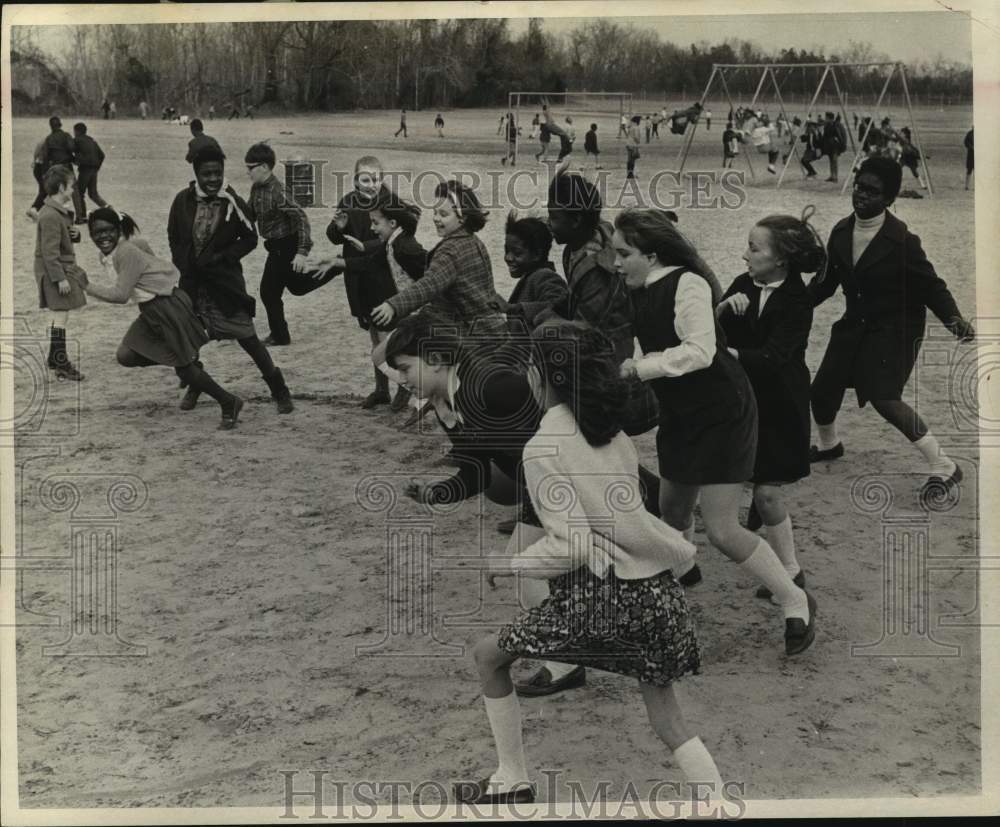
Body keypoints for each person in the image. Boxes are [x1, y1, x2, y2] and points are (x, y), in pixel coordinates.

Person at [454, 320, 719, 806]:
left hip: (600, 596)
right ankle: (721, 805)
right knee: (668, 719)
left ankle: (511, 777)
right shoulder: (611, 433)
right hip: (655, 592)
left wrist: (508, 564)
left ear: (542, 376)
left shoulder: (543, 446)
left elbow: (571, 547)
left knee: (487, 656)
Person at [614, 208, 816, 655]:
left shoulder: (687, 284)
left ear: (651, 253)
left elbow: (701, 351)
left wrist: (640, 368)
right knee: (672, 512)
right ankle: (681, 587)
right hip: (682, 413)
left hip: (724, 411)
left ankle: (794, 598)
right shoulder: (636, 289)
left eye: (623, 253)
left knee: (722, 530)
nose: (616, 262)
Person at [808, 157, 976, 493]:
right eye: (859, 186)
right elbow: (826, 282)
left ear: (889, 199)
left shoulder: (902, 241)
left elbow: (931, 285)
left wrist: (954, 319)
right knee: (822, 390)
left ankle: (943, 463)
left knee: (884, 397)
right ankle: (829, 445)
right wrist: (794, 302)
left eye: (873, 191)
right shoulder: (841, 231)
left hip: (896, 328)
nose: (862, 195)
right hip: (855, 323)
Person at [717, 209, 825, 599]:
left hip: (782, 405)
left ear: (780, 258)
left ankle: (791, 571)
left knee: (766, 492)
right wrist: (724, 309)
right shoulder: (743, 284)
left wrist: (723, 352)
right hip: (746, 401)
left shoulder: (798, 300)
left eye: (753, 248)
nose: (745, 255)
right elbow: (712, 325)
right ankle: (778, 558)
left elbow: (774, 357)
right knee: (752, 483)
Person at [84, 208, 242, 429]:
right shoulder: (115, 252)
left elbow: (120, 296)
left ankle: (229, 401)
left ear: (119, 230)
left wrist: (87, 286)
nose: (103, 237)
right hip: (150, 310)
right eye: (97, 232)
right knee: (126, 355)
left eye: (109, 230)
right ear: (90, 234)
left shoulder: (126, 251)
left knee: (184, 368)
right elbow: (147, 251)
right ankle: (193, 373)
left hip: (167, 307)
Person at [167, 146, 294, 416]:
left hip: (225, 285)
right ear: (196, 174)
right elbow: (174, 235)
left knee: (248, 338)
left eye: (217, 173)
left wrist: (225, 257)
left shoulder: (232, 201)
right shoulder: (182, 201)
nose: (212, 179)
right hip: (192, 285)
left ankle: (279, 388)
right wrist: (183, 262)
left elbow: (250, 238)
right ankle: (197, 384)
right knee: (190, 339)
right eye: (206, 174)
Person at [315, 194, 427, 411]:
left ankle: (416, 393)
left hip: (422, 313)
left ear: (393, 223)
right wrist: (336, 261)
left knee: (395, 353)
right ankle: (412, 393)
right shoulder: (392, 243)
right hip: (411, 312)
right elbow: (369, 262)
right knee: (389, 352)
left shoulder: (405, 246)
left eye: (376, 223)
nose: (373, 229)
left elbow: (434, 273)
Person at [370, 180, 506, 337]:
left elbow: (429, 284)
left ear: (463, 218)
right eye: (435, 212)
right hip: (492, 326)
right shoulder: (474, 241)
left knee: (392, 349)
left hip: (471, 333)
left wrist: (393, 305)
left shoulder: (451, 251)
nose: (435, 218)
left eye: (443, 214)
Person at [245, 141, 330, 353]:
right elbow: (249, 214)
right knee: (297, 286)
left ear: (264, 167)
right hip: (275, 246)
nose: (247, 172)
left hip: (286, 245)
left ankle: (280, 335)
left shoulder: (279, 191)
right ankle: (335, 267)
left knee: (268, 291)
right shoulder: (256, 188)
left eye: (250, 167)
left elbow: (302, 218)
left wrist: (302, 252)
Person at [34, 165, 88, 381]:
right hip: (54, 270)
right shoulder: (50, 215)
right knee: (60, 315)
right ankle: (61, 362)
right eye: (71, 186)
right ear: (61, 187)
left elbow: (59, 241)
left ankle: (54, 358)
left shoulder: (54, 212)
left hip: (56, 268)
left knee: (60, 315)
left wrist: (73, 234)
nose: (73, 190)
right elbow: (49, 252)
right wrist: (60, 279)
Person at [500, 213, 568, 356]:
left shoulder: (545, 276)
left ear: (537, 254)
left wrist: (513, 308)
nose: (508, 258)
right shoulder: (531, 276)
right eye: (507, 250)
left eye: (517, 253)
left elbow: (560, 306)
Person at [70, 122, 109, 225]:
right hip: (94, 169)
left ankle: (82, 217)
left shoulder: (77, 140)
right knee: (93, 194)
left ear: (77, 131)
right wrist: (97, 167)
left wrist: (75, 160)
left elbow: (69, 149)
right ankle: (109, 210)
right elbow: (102, 155)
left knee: (78, 193)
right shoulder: (91, 140)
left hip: (85, 169)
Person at [821, 111, 845, 182]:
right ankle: (832, 176)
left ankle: (835, 177)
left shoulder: (835, 125)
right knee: (831, 160)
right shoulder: (826, 126)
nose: (825, 119)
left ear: (830, 118)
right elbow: (824, 136)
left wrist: (841, 145)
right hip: (829, 146)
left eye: (826, 118)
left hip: (835, 146)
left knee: (834, 160)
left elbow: (839, 136)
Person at [626, 115, 642, 180]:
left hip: (628, 144)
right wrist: (638, 141)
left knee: (629, 160)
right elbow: (636, 137)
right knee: (632, 160)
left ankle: (629, 174)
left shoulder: (631, 127)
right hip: (633, 145)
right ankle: (631, 174)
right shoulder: (636, 127)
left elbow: (628, 135)